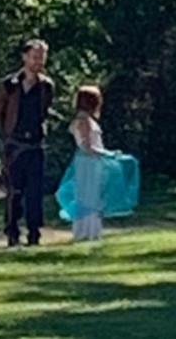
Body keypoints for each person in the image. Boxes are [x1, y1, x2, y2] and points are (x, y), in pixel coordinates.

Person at [0, 39, 55, 247]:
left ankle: (34, 232)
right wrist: (7, 136)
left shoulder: (46, 86)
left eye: (42, 58)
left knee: (35, 191)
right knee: (14, 191)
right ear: (25, 57)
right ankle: (12, 232)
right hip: (14, 145)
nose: (38, 62)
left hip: (36, 144)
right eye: (35, 57)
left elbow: (45, 111)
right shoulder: (8, 86)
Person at [57, 86, 140, 242]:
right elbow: (88, 147)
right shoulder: (84, 121)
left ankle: (87, 231)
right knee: (89, 198)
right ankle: (87, 232)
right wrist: (109, 154)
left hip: (87, 161)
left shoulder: (82, 120)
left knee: (88, 197)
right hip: (88, 163)